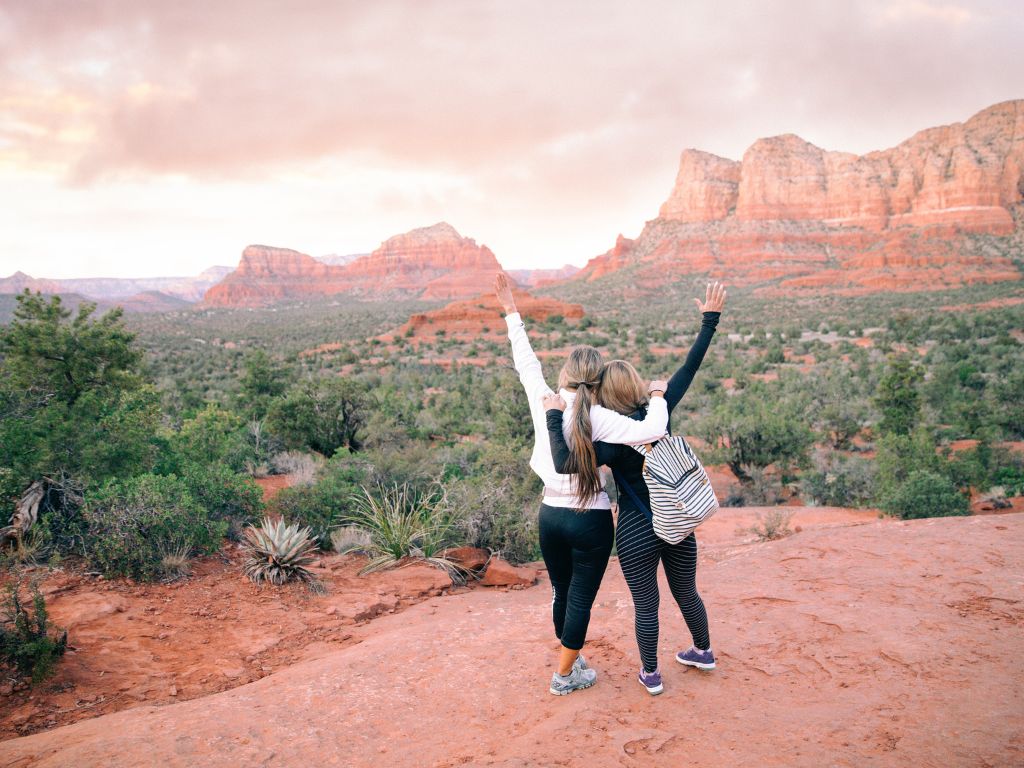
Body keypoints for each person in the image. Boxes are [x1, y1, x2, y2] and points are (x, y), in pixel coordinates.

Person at [493, 273, 670, 696]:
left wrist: (511, 311)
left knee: (560, 590)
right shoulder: (600, 415)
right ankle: (564, 674)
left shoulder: (547, 399)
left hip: (549, 514)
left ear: (567, 374)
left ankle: (570, 659)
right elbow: (655, 428)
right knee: (580, 601)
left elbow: (526, 361)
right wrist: (659, 394)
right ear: (597, 380)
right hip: (589, 520)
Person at [546, 281, 726, 695]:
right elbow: (689, 368)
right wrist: (709, 321)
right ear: (638, 384)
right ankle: (703, 650)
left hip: (635, 529)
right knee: (687, 592)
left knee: (647, 603)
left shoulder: (608, 436)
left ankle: (651, 675)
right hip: (676, 520)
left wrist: (557, 415)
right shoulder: (658, 413)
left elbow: (567, 464)